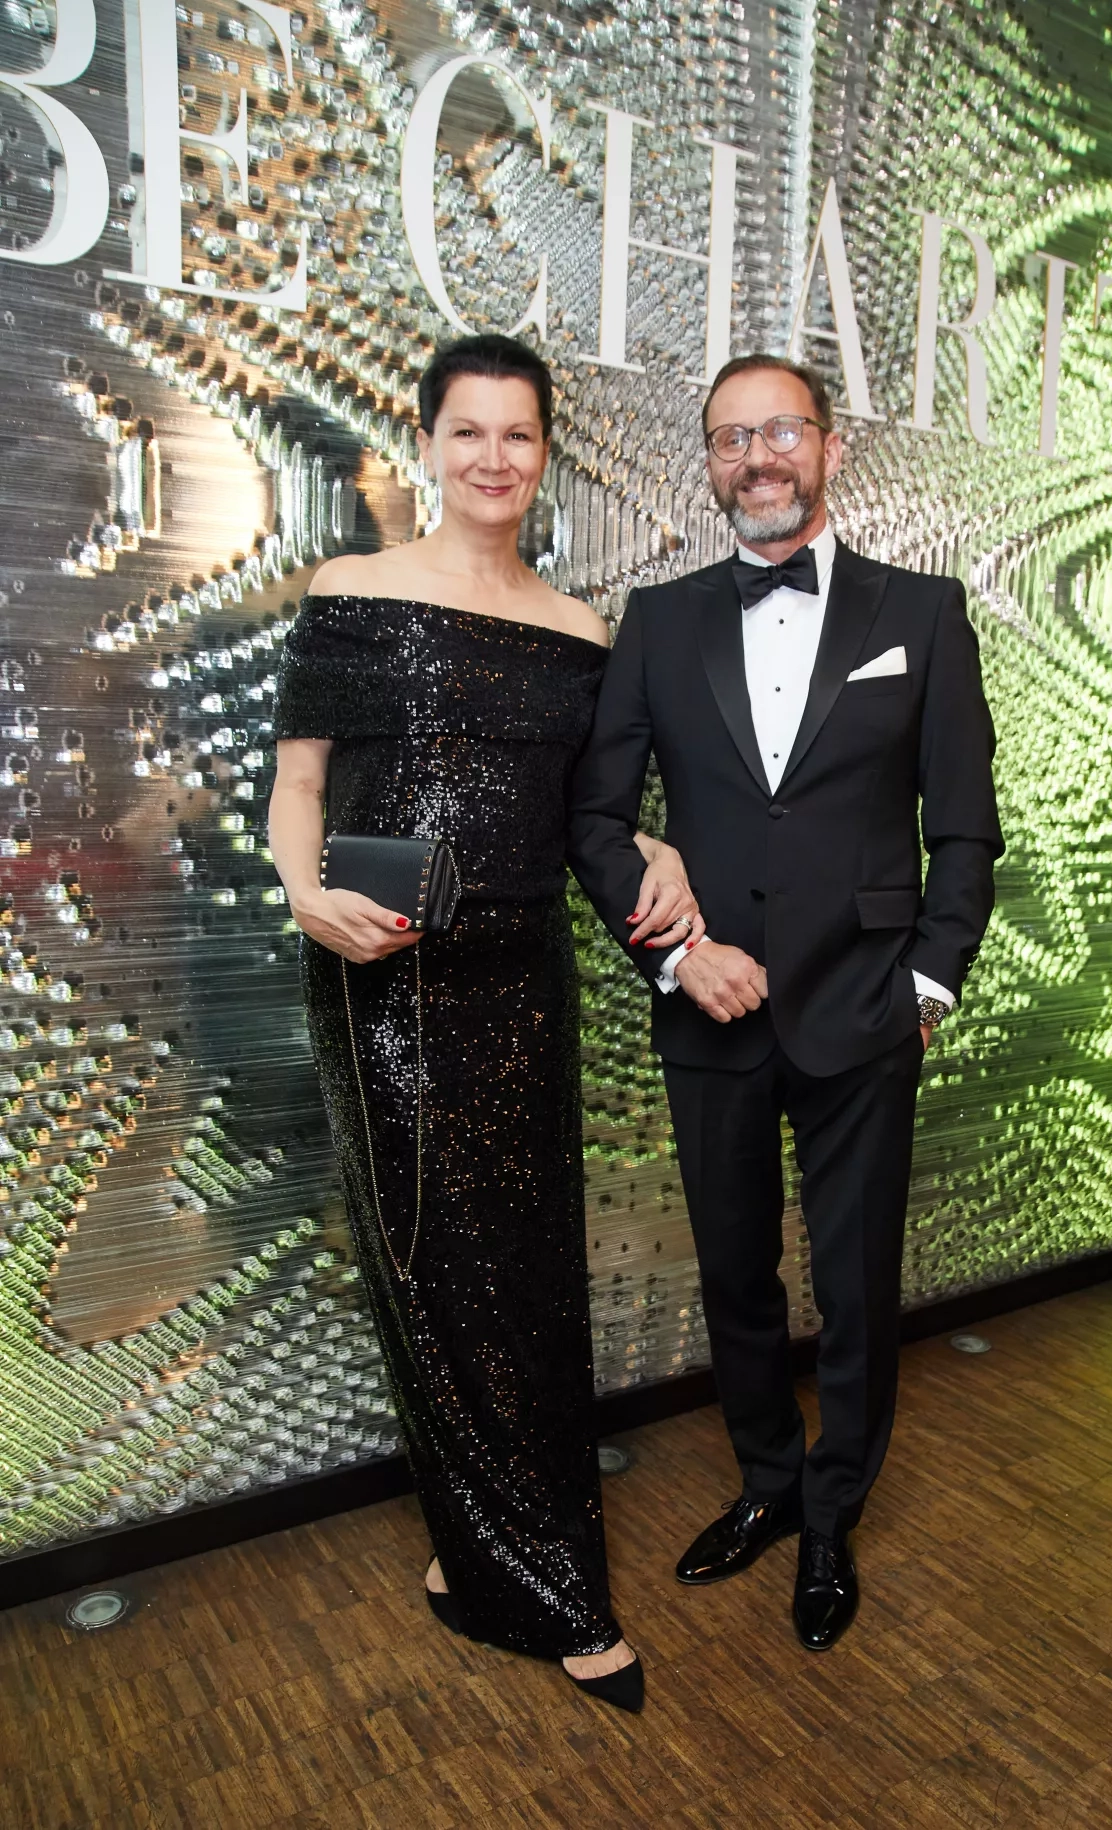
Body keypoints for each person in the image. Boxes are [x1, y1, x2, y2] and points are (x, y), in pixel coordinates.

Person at [268, 332, 703, 1712]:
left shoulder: (582, 632)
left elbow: (583, 815)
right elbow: (299, 785)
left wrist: (655, 845)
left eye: (518, 435)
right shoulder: (352, 591)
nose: (493, 458)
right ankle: (551, 1589)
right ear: (427, 444)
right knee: (425, 1264)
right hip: (382, 970)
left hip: (521, 976)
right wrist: (304, 894)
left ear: (544, 454)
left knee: (524, 1272)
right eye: (468, 431)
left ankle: (479, 1554)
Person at [568, 353, 1003, 1652]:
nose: (755, 457)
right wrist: (673, 956)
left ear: (827, 447)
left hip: (866, 1009)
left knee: (858, 1285)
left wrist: (927, 981)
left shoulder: (922, 612)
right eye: (729, 438)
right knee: (735, 1274)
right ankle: (767, 1479)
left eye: (779, 431)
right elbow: (596, 822)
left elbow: (966, 829)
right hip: (708, 1008)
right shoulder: (658, 620)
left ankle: (832, 1511)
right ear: (710, 463)